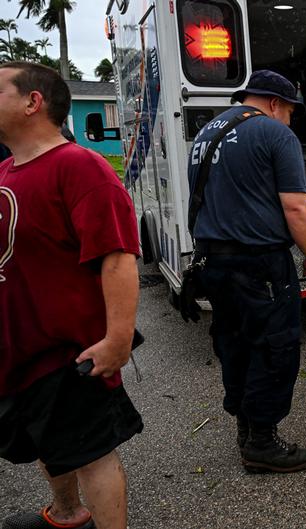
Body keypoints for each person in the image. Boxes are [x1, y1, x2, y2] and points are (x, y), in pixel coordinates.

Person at [0, 62, 143, 529]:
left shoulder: (81, 167)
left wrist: (118, 341)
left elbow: (118, 257)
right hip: (19, 348)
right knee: (47, 440)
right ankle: (66, 512)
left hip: (69, 353)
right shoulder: (6, 169)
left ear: (32, 102)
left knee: (92, 453)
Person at [186, 69, 306, 474]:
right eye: (291, 111)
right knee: (275, 345)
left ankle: (245, 425)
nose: (290, 119)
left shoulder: (208, 132)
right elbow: (296, 206)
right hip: (259, 262)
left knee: (234, 341)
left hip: (213, 259)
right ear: (276, 103)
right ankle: (262, 442)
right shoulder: (274, 133)